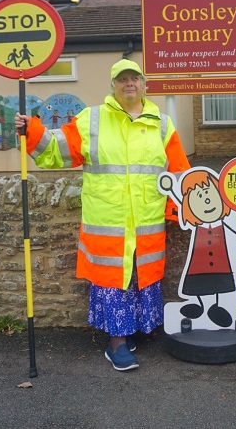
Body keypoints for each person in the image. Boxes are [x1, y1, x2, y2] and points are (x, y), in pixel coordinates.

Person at [15, 58, 190, 371]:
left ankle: (131, 331)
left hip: (147, 222)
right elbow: (56, 151)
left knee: (140, 278)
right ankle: (116, 343)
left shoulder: (162, 124)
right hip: (107, 224)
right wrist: (32, 131)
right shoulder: (91, 120)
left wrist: (185, 208)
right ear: (113, 86)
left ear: (144, 84)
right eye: (122, 79)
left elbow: (178, 172)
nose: (129, 84)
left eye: (134, 78)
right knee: (113, 281)